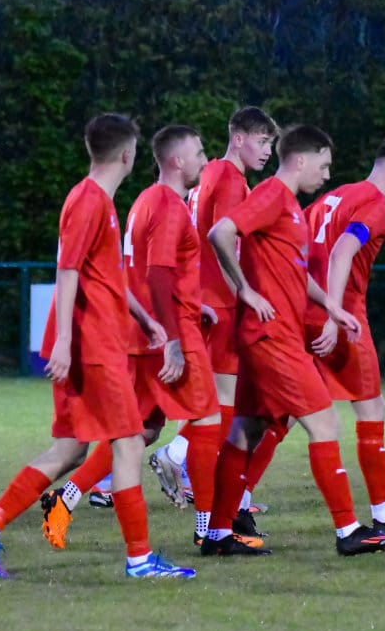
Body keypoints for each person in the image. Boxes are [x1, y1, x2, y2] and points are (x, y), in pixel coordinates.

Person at [0, 113, 196, 580]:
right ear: (127, 155)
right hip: (93, 346)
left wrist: (144, 319)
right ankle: (140, 559)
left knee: (70, 451)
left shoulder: (97, 201)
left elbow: (105, 275)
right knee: (128, 444)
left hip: (96, 341)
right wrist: (66, 342)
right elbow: (67, 271)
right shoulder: (89, 201)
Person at [40, 124, 255, 550]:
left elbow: (145, 271)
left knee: (139, 431)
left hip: (143, 335)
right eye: (199, 152)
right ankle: (210, 530)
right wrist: (174, 335)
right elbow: (157, 274)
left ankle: (64, 499)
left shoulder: (144, 200)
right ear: (177, 160)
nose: (205, 160)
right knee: (207, 421)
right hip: (168, 333)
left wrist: (193, 304)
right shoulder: (170, 205)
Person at [203, 124, 385, 557]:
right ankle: (348, 531)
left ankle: (217, 534)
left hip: (266, 334)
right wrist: (244, 290)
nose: (327, 175)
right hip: (272, 336)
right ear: (301, 160)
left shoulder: (292, 207)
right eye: (324, 165)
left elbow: (294, 273)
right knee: (324, 423)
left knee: (246, 431)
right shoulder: (274, 194)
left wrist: (331, 306)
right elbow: (221, 232)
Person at [149, 107, 279, 533]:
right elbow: (223, 240)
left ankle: (204, 478)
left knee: (221, 401)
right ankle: (182, 459)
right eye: (262, 141)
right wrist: (242, 293)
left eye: (271, 143)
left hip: (205, 299)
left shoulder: (213, 175)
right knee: (231, 403)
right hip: (220, 303)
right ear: (238, 138)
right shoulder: (229, 178)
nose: (268, 151)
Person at [304, 138, 385, 535]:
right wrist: (334, 313)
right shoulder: (376, 203)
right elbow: (343, 252)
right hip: (342, 316)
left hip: (301, 310)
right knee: (371, 410)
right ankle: (383, 514)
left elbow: (294, 248)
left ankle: (235, 507)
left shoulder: (331, 198)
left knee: (285, 414)